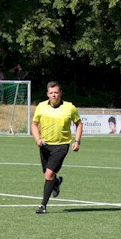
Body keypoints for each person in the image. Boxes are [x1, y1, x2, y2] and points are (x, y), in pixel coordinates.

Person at [30, 81, 82, 214]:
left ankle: (43, 206)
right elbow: (34, 125)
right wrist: (37, 139)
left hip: (61, 145)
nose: (54, 95)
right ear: (47, 94)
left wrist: (77, 141)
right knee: (47, 175)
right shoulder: (41, 107)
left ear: (60, 93)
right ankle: (56, 182)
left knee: (48, 174)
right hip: (45, 146)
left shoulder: (70, 107)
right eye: (51, 93)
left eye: (56, 92)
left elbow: (79, 124)